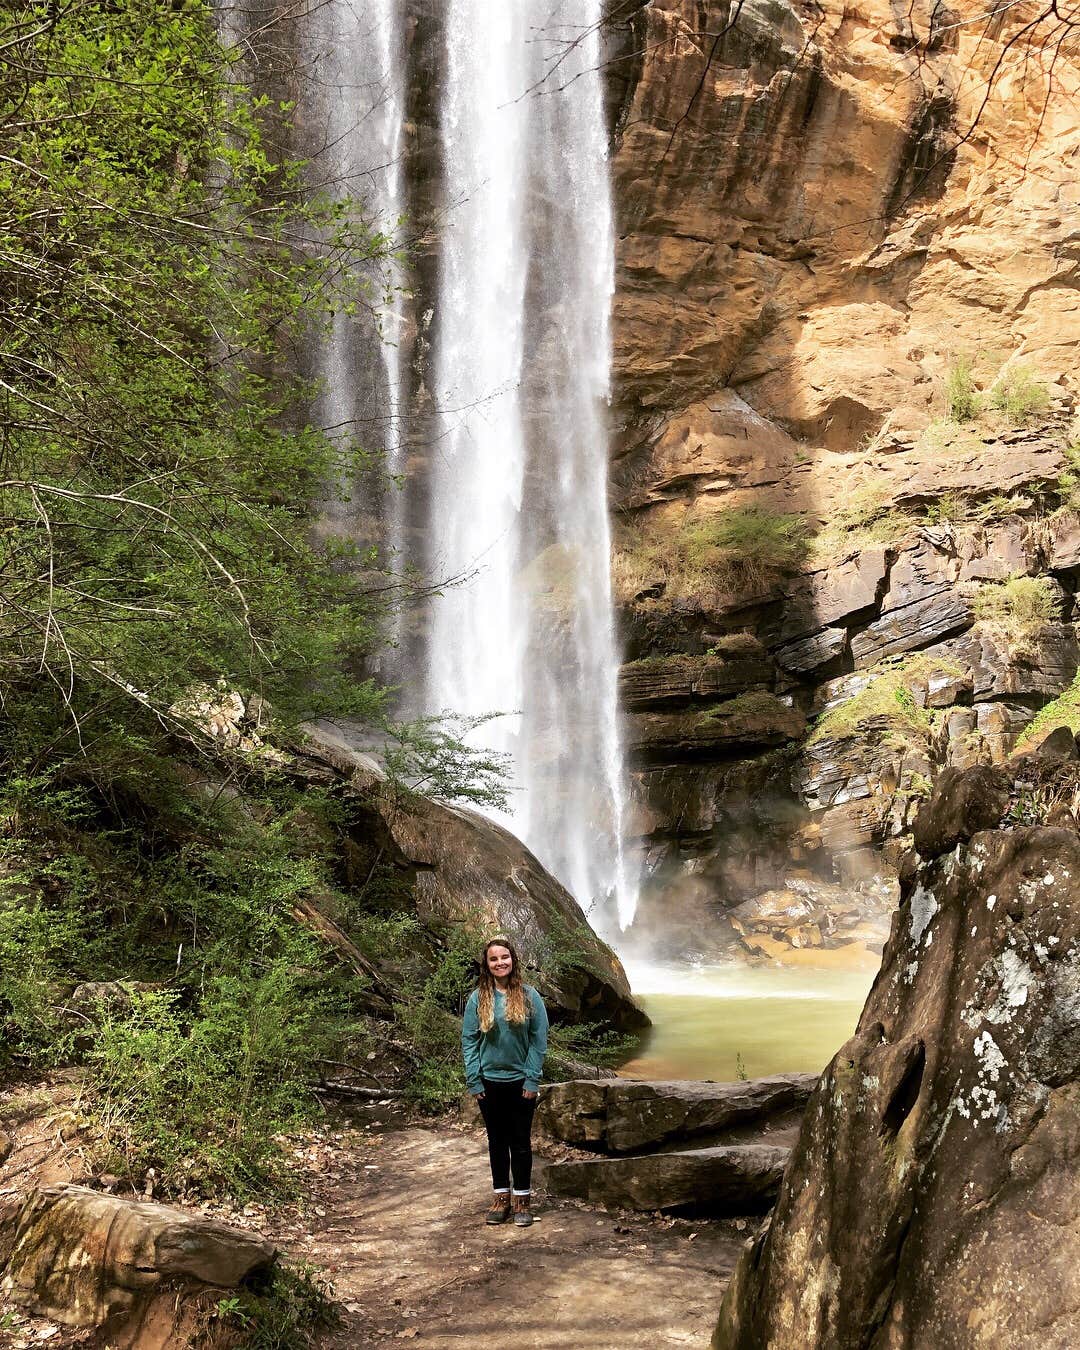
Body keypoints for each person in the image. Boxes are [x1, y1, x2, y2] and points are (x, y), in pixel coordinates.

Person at [461, 934, 549, 1227]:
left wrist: (532, 1079)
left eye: (505, 957)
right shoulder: (478, 998)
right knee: (497, 1142)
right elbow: (469, 1041)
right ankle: (501, 1197)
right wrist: (474, 1080)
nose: (500, 962)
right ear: (487, 965)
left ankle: (522, 1199)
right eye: (494, 959)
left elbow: (538, 1041)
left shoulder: (529, 996)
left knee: (520, 1142)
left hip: (521, 1082)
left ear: (513, 960)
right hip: (489, 1083)